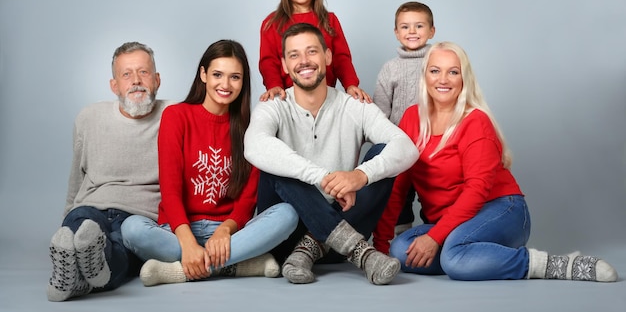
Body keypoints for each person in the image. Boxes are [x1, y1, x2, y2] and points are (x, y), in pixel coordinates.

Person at [373, 41, 618, 282]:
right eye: (435, 71)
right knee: (400, 252)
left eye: (453, 72)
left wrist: (435, 237)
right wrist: (381, 247)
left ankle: (550, 265)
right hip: (453, 223)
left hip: (501, 210)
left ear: (464, 79)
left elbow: (476, 191)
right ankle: (469, 256)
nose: (443, 80)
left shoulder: (475, 121)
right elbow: (399, 187)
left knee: (453, 259)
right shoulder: (411, 118)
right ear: (424, 76)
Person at [244, 23, 419, 285]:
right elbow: (254, 145)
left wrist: (360, 175)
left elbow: (407, 148)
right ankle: (363, 254)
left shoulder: (354, 105)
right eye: (294, 55)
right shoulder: (275, 106)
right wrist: (323, 176)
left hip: (341, 234)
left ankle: (310, 249)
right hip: (286, 238)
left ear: (327, 57)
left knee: (383, 157)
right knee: (276, 161)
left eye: (312, 52)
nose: (304, 61)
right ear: (284, 65)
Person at [121, 40, 298, 287]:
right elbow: (170, 190)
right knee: (131, 228)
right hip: (176, 230)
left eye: (235, 77)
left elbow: (248, 198)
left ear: (243, 82)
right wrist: (187, 241)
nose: (225, 85)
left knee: (287, 215)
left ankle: (182, 270)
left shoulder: (251, 127)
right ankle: (236, 266)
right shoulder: (176, 116)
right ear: (203, 74)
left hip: (229, 233)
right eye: (217, 74)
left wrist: (225, 230)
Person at [47, 41, 171, 301]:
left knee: (120, 251)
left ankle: (70, 278)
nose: (136, 81)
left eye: (143, 72)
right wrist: (65, 220)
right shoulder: (89, 118)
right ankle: (73, 257)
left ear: (157, 80)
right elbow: (76, 177)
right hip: (92, 207)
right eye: (126, 74)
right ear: (114, 85)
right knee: (80, 225)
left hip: (140, 218)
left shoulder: (175, 115)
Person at [258, 0, 370, 103]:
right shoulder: (272, 23)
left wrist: (350, 84)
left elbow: (341, 58)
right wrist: (274, 85)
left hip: (324, 95)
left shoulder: (329, 20)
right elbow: (268, 61)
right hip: (287, 97)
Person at [373, 1, 436, 235]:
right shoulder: (390, 68)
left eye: (419, 26)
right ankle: (398, 239)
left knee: (433, 193)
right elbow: (380, 111)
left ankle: (436, 237)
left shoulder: (438, 63)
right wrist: (383, 143)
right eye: (405, 27)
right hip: (399, 144)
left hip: (433, 144)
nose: (412, 32)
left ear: (431, 31)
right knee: (397, 196)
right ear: (396, 32)